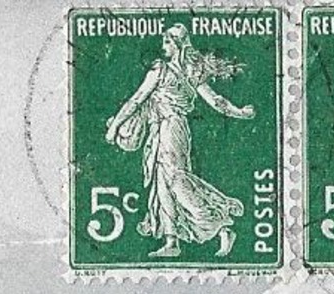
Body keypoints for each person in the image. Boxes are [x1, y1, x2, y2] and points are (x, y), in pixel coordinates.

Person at [106, 24, 255, 258]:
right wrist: (240, 112)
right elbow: (216, 101)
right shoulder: (191, 73)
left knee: (176, 181)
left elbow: (136, 100)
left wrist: (115, 126)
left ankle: (221, 226)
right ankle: (171, 241)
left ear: (176, 45)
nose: (163, 46)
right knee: (162, 183)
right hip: (170, 130)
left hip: (169, 128)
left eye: (166, 42)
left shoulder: (161, 70)